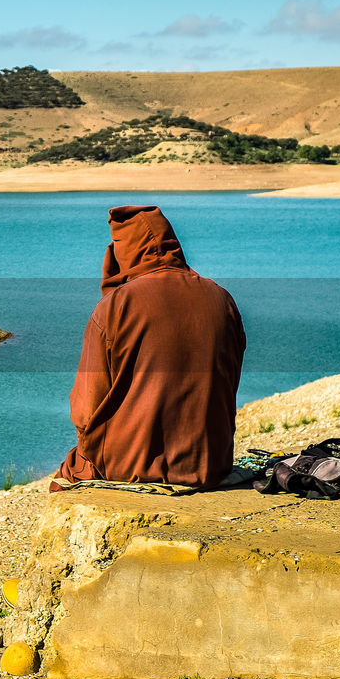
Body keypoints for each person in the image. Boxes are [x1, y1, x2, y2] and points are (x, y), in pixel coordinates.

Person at [53, 205, 245, 489]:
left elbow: (85, 406)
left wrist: (87, 448)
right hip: (210, 463)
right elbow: (229, 382)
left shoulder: (116, 306)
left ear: (122, 253)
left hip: (128, 464)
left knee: (67, 475)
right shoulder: (222, 298)